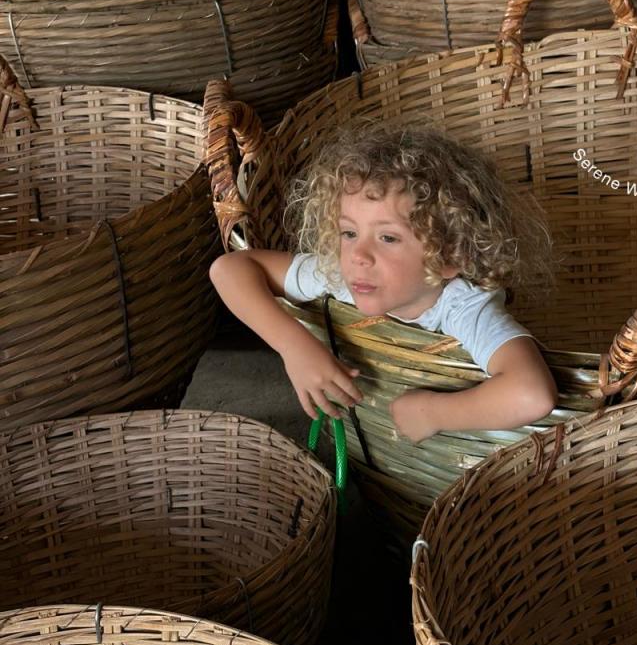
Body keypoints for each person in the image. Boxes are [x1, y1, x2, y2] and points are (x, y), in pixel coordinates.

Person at [210, 123, 558, 443]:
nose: (358, 255)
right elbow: (230, 269)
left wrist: (432, 412)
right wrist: (294, 347)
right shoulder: (343, 275)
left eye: (388, 238)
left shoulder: (465, 306)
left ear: (451, 257)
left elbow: (532, 393)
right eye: (349, 232)